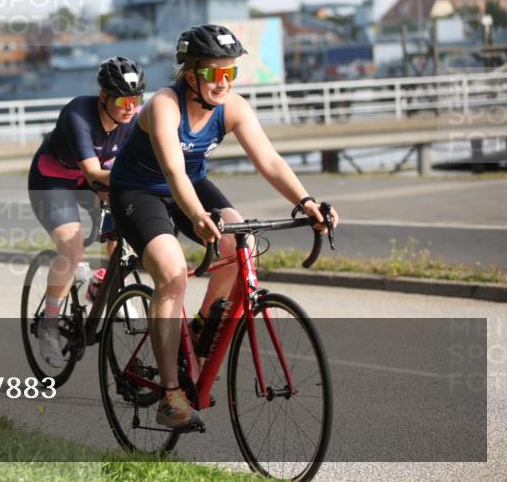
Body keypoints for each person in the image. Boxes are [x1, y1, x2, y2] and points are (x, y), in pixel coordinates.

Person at [109, 24, 340, 431]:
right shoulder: (165, 105)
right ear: (192, 73)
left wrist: (304, 202)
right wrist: (197, 216)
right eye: (215, 73)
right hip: (140, 188)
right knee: (172, 270)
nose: (223, 83)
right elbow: (173, 170)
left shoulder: (232, 107)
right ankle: (170, 395)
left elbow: (269, 161)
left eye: (230, 73)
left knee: (241, 240)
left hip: (191, 184)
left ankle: (201, 330)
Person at [28, 56, 146, 369]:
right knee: (72, 246)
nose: (130, 107)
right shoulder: (78, 113)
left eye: (136, 99)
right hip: (54, 180)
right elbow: (93, 173)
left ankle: (103, 284)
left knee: (128, 224)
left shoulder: (135, 118)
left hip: (95, 179)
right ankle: (49, 325)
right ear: (104, 96)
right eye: (123, 100)